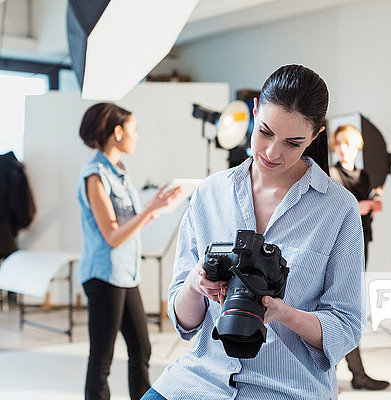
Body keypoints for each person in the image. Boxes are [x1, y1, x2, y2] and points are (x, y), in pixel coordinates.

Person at [141, 65, 366, 400]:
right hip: (202, 377)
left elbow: (346, 326)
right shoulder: (209, 193)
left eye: (293, 143)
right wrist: (195, 283)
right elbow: (184, 323)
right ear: (256, 109)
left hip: (288, 387)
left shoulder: (338, 209)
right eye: (265, 132)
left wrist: (282, 312)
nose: (273, 153)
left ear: (316, 136)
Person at [77, 103, 181, 400]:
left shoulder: (120, 172)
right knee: (102, 359)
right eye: (134, 130)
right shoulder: (94, 177)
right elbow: (112, 236)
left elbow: (130, 222)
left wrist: (159, 208)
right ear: (118, 132)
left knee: (141, 348)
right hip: (104, 275)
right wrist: (150, 210)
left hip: (126, 273)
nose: (137, 137)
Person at [329, 125, 389, 390]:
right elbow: (336, 209)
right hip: (338, 247)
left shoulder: (363, 176)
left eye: (349, 144)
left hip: (362, 244)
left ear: (357, 147)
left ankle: (352, 373)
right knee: (336, 306)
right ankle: (343, 372)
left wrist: (372, 207)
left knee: (352, 307)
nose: (344, 148)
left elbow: (364, 213)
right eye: (340, 143)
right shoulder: (330, 173)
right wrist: (360, 206)